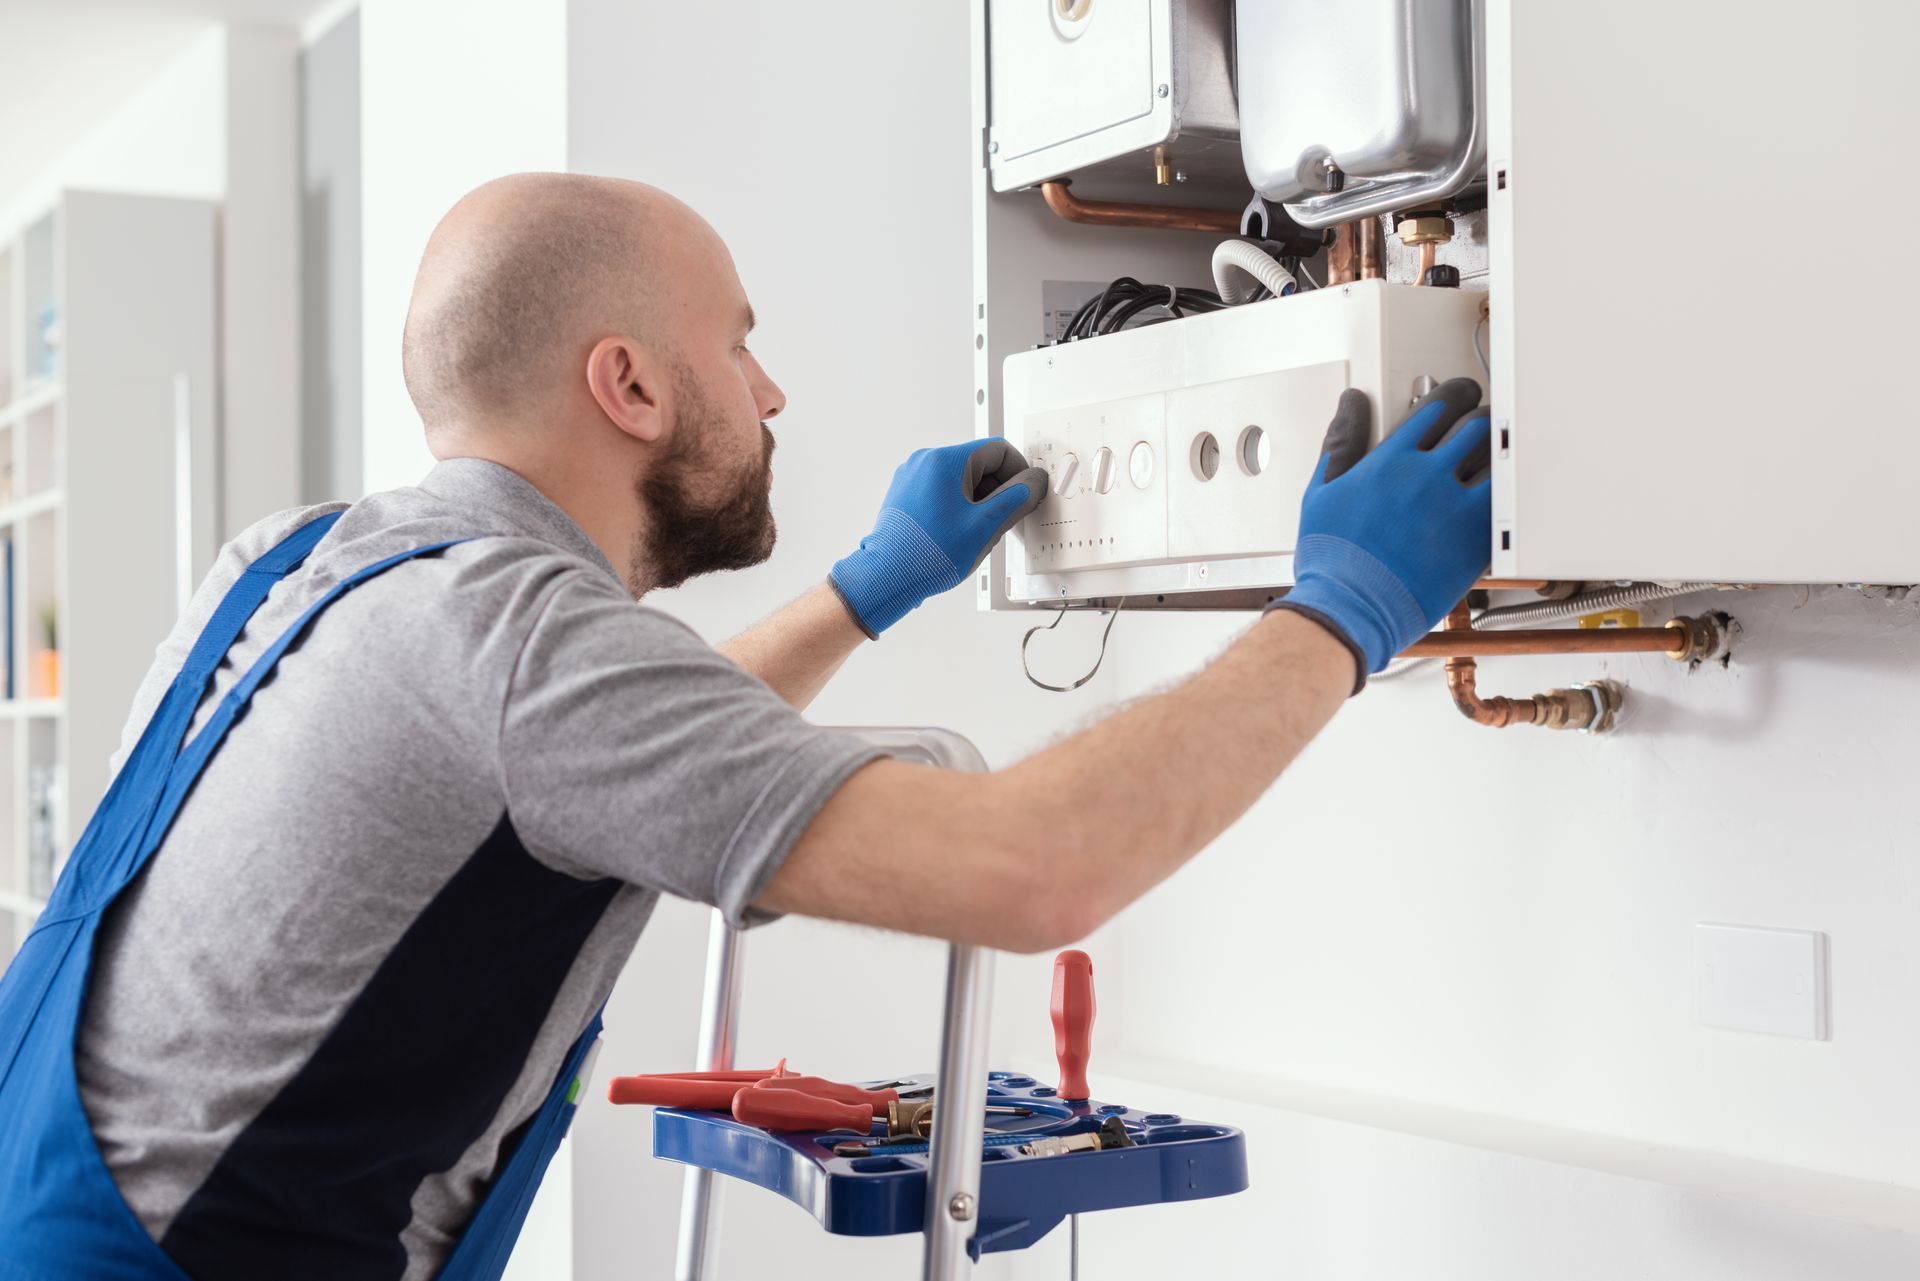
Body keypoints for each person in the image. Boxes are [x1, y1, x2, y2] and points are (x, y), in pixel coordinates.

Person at [0, 173, 1491, 1280]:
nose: (772, 390)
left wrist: (862, 593)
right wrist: (1343, 609)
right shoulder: (522, 650)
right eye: (738, 344)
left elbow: (608, 757)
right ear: (630, 383)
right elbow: (1038, 867)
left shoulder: (300, 558)